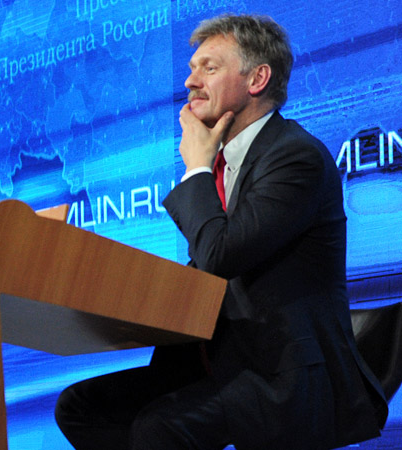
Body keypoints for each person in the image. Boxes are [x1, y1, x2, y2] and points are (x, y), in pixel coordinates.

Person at [55, 14, 388, 450]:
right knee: (81, 407)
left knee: (159, 427)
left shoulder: (295, 157)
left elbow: (220, 255)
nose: (190, 82)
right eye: (192, 69)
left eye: (208, 68)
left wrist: (196, 166)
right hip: (219, 358)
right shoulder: (228, 162)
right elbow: (202, 272)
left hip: (284, 373)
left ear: (257, 79)